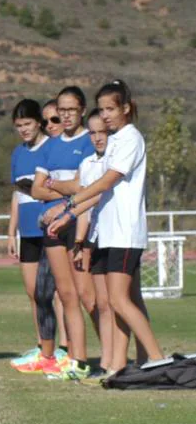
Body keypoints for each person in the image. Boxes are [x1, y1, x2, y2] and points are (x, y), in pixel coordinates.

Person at [45, 80, 170, 371]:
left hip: (125, 231)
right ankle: (117, 365)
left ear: (126, 108)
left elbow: (106, 182)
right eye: (102, 110)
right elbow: (100, 193)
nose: (106, 115)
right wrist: (69, 213)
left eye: (111, 109)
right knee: (121, 301)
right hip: (107, 232)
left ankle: (155, 357)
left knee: (118, 299)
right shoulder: (114, 141)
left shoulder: (130, 139)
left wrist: (70, 200)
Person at [30, 86, 93, 378]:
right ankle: (75, 360)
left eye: (71, 110)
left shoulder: (89, 142)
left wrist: (57, 189)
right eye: (61, 111)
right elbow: (35, 188)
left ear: (82, 110)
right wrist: (62, 187)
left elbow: (84, 187)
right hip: (52, 227)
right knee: (66, 295)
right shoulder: (52, 145)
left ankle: (111, 357)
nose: (66, 116)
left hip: (78, 223)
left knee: (87, 296)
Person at [5, 100, 63, 374]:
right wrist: (11, 231)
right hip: (27, 231)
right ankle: (43, 347)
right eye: (18, 126)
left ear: (39, 122)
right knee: (34, 294)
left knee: (59, 293)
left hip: (51, 227)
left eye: (27, 124)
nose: (23, 130)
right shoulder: (17, 153)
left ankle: (65, 348)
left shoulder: (51, 147)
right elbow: (17, 194)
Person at [70, 109, 121, 376]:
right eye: (93, 132)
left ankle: (134, 359)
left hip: (119, 236)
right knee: (101, 304)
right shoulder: (88, 163)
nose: (98, 138)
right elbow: (85, 210)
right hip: (96, 238)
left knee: (120, 302)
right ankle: (106, 363)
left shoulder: (116, 161)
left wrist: (67, 209)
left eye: (103, 132)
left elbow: (95, 197)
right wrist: (80, 243)